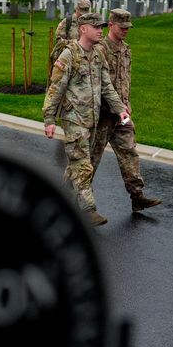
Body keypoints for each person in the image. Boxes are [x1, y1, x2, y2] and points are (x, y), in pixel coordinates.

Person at [42, 13, 129, 226]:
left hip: (92, 119)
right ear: (83, 29)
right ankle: (88, 210)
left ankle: (55, 201)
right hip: (73, 119)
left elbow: (107, 86)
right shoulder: (69, 55)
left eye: (101, 27)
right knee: (82, 165)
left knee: (76, 165)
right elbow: (55, 89)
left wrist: (120, 109)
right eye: (96, 27)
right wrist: (49, 119)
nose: (101, 30)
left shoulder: (98, 55)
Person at [90, 9, 161, 214]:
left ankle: (137, 196)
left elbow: (125, 79)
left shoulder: (126, 49)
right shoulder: (99, 49)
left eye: (128, 28)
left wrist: (126, 102)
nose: (126, 31)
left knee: (129, 152)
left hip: (122, 114)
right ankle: (76, 198)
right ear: (110, 25)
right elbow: (98, 84)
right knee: (91, 160)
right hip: (102, 114)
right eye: (122, 27)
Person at [49, 0, 91, 68]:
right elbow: (59, 41)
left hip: (87, 60)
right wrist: (76, 44)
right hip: (70, 60)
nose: (83, 15)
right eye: (81, 11)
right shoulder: (67, 22)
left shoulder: (91, 23)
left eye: (85, 11)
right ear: (76, 8)